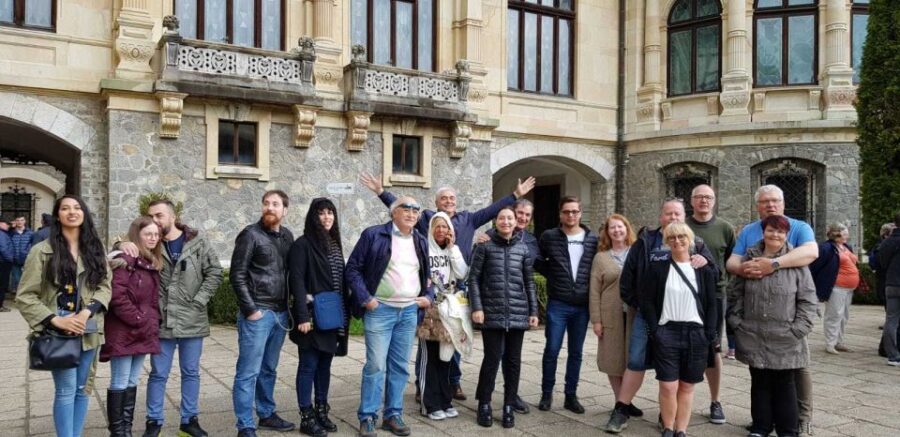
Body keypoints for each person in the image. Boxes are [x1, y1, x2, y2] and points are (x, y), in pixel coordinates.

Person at [360, 173, 535, 403]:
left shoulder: (468, 220)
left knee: (455, 339)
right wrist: (382, 192)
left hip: (459, 291)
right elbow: (404, 211)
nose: (449, 201)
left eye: (452, 197)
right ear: (436, 202)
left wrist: (515, 195)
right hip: (433, 293)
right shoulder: (426, 220)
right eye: (444, 198)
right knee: (431, 344)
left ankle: (454, 381)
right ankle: (424, 386)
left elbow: (493, 211)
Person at [605, 198, 716, 434]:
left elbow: (713, 274)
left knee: (676, 374)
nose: (673, 218)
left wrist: (705, 260)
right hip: (649, 318)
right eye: (668, 214)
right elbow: (627, 282)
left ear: (683, 217)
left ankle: (669, 418)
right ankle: (621, 409)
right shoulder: (645, 242)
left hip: (687, 321)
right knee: (636, 361)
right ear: (661, 217)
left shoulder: (696, 243)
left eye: (677, 214)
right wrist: (648, 311)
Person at [118, 199, 223, 437]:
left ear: (173, 217)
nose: (154, 221)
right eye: (150, 216)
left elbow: (215, 272)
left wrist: (200, 300)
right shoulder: (150, 243)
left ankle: (189, 420)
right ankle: (153, 422)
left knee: (191, 372)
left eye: (159, 216)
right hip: (162, 321)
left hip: (193, 319)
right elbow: (125, 248)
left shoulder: (198, 242)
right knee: (158, 374)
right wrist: (122, 242)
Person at [725, 185, 818, 436]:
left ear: (784, 203)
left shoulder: (800, 227)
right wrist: (738, 322)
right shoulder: (749, 233)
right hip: (755, 329)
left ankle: (799, 421)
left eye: (776, 200)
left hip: (787, 328)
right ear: (758, 206)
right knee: (761, 380)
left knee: (793, 375)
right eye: (765, 201)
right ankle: (762, 424)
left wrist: (773, 265)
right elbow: (733, 267)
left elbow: (811, 254)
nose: (771, 205)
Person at [16, 195, 112, 437]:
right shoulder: (42, 251)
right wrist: (55, 320)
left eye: (77, 207)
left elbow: (105, 285)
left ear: (84, 213)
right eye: (65, 208)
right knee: (66, 390)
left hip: (88, 327)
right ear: (57, 215)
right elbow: (26, 296)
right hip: (58, 329)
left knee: (82, 389)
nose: (72, 212)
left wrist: (87, 311)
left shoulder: (94, 249)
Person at [345, 196, 434, 437]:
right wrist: (366, 298)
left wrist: (428, 296)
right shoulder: (374, 235)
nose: (412, 213)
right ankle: (368, 416)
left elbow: (428, 275)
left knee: (400, 367)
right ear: (393, 212)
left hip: (408, 312)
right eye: (406, 209)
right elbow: (352, 268)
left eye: (416, 210)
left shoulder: (421, 240)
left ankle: (393, 415)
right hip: (380, 310)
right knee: (375, 366)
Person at [639, 222, 718, 437]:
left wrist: (709, 334)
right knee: (668, 385)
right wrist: (655, 330)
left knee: (687, 385)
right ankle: (668, 427)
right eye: (672, 238)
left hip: (696, 333)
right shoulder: (657, 268)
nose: (677, 241)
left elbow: (712, 304)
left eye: (682, 236)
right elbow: (646, 301)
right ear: (667, 242)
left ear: (690, 239)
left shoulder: (703, 270)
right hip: (667, 332)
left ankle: (681, 430)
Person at [231, 190, 296, 437]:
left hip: (280, 314)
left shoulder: (287, 236)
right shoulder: (250, 235)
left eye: (276, 204)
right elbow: (237, 274)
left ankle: (266, 414)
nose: (270, 207)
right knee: (248, 371)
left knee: (269, 368)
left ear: (284, 210)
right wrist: (250, 310)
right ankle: (245, 425)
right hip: (258, 312)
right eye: (266, 203)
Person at [468, 206, 539, 429]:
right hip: (491, 311)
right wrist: (477, 307)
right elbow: (473, 280)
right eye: (502, 218)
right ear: (496, 222)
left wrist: (533, 311)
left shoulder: (523, 249)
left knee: (513, 361)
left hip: (517, 312)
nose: (506, 222)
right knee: (492, 358)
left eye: (510, 218)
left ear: (515, 221)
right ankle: (485, 404)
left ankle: (509, 404)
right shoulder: (484, 246)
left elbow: (529, 282)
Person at [287, 198, 352, 437]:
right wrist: (302, 315)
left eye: (330, 213)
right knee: (308, 366)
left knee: (325, 365)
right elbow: (297, 280)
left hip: (333, 317)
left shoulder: (335, 244)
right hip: (312, 318)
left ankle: (321, 410)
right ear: (313, 217)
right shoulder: (302, 244)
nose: (326, 217)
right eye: (321, 213)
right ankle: (306, 416)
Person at [535, 195, 599, 414]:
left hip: (582, 306)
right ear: (560, 214)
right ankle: (546, 393)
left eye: (575, 211)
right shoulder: (549, 237)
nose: (571, 215)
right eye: (566, 212)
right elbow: (538, 260)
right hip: (558, 304)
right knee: (551, 349)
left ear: (580, 213)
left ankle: (571, 395)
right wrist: (554, 277)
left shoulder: (592, 239)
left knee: (576, 352)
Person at [101, 216, 163, 436]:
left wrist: (147, 321)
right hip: (124, 331)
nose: (153, 238)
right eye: (148, 234)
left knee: (132, 380)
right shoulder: (125, 259)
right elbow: (117, 297)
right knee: (119, 380)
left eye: (156, 234)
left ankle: (126, 429)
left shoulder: (149, 261)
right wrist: (138, 319)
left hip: (142, 331)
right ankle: (118, 432)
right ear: (137, 235)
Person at [685, 184, 734, 425]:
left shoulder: (725, 228)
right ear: (691, 201)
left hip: (714, 296)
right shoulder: (682, 226)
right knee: (682, 347)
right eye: (699, 197)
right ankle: (679, 404)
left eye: (708, 197)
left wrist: (725, 287)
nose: (704, 201)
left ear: (714, 201)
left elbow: (730, 261)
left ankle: (716, 401)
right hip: (684, 295)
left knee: (713, 348)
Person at [418, 212, 469, 420]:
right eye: (437, 226)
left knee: (447, 356)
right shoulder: (424, 248)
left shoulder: (453, 249)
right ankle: (429, 403)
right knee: (429, 358)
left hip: (450, 309)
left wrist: (452, 249)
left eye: (445, 227)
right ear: (431, 229)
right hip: (431, 308)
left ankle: (445, 400)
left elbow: (463, 273)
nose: (441, 230)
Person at [589, 214, 637, 402]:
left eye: (620, 226)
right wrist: (596, 321)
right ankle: (621, 403)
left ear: (626, 228)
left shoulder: (636, 252)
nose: (617, 231)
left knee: (632, 360)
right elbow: (594, 291)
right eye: (612, 228)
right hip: (610, 316)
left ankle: (626, 400)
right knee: (613, 360)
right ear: (607, 233)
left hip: (634, 315)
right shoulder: (600, 258)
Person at [809, 223, 859, 354]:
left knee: (844, 316)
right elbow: (815, 267)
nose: (847, 234)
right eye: (845, 232)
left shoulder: (846, 246)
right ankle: (830, 343)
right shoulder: (826, 248)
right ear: (837, 233)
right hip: (836, 287)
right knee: (834, 314)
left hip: (849, 287)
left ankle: (839, 341)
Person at [877, 213, 900, 366]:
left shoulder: (889, 241)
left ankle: (892, 356)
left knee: (891, 320)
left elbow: (882, 262)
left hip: (892, 283)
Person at [9, 215, 34, 291]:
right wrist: (11, 227)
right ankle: (17, 292)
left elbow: (33, 244)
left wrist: (28, 253)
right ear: (15, 222)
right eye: (18, 220)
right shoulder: (11, 233)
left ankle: (21, 292)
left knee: (25, 277)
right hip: (14, 259)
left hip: (26, 259)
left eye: (21, 220)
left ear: (25, 221)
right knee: (16, 277)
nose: (20, 222)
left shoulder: (30, 233)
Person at [0, 221, 12, 312]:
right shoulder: (2, 234)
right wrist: (10, 258)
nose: (8, 226)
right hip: (3, 262)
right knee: (2, 284)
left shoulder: (4, 233)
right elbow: (3, 248)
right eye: (6, 224)